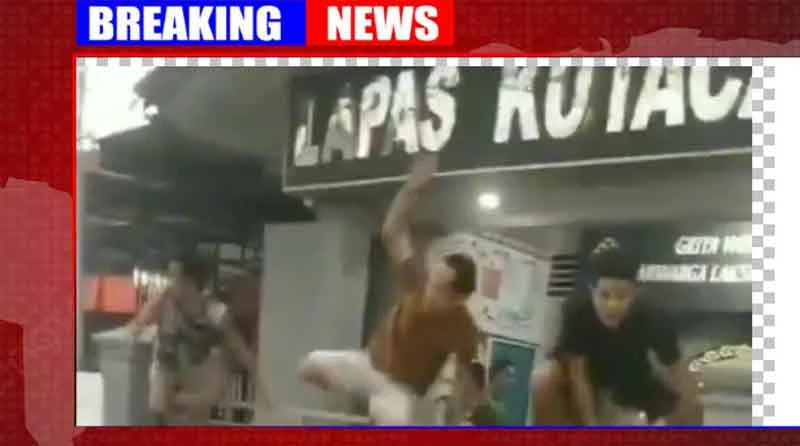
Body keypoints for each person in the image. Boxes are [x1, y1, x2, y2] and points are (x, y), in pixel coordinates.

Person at [298, 152, 482, 425]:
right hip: (367, 365)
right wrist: (413, 187)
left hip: (400, 389)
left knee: (393, 422)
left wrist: (465, 411)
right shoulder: (416, 283)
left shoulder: (462, 327)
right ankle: (343, 394)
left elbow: (470, 375)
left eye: (441, 291)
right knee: (309, 364)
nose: (431, 294)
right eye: (433, 284)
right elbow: (392, 230)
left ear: (459, 298)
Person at [532, 239, 703, 426]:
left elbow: (677, 370)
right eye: (604, 295)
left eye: (621, 297)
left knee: (690, 403)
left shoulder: (653, 316)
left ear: (635, 294)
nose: (612, 306)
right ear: (592, 291)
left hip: (631, 376)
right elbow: (578, 375)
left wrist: (690, 406)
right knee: (543, 380)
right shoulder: (577, 311)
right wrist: (591, 426)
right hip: (587, 377)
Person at [127, 254, 270, 425]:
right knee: (164, 403)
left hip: (197, 378)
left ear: (190, 283)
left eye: (175, 278)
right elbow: (136, 326)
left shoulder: (213, 311)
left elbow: (240, 350)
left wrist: (264, 391)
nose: (171, 284)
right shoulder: (166, 303)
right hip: (170, 374)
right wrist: (156, 304)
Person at [465, 360, 514, 425]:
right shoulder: (482, 403)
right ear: (497, 374)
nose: (511, 380)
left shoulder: (499, 408)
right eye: (508, 375)